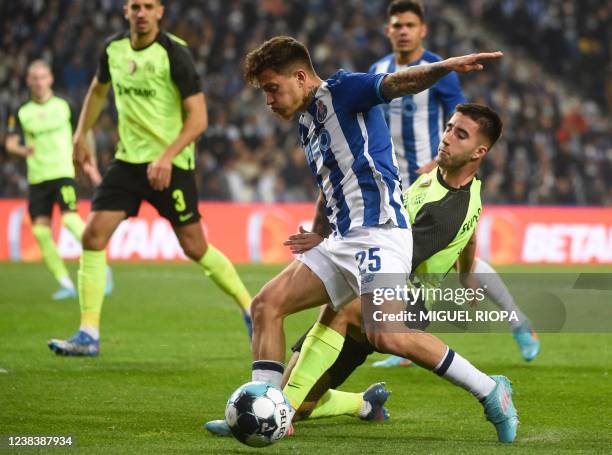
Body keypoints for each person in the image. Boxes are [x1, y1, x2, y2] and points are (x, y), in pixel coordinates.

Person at [229, 36, 516, 443]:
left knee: (387, 334)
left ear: (299, 76)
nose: (269, 101)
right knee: (266, 305)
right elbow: (331, 183)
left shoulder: (344, 90)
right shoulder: (309, 121)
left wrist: (446, 65)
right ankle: (265, 411)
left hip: (381, 235)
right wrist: (317, 234)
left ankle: (490, 390)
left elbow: (398, 83)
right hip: (344, 240)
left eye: (272, 89)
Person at [47, 0, 252, 356]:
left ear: (160, 12)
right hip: (128, 162)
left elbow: (199, 118)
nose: (141, 13)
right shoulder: (113, 49)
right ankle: (88, 334)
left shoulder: (175, 53)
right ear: (125, 11)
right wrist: (81, 134)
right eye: (134, 6)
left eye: (148, 6)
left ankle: (251, 308)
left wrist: (166, 156)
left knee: (194, 246)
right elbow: (97, 90)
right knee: (93, 236)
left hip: (171, 165)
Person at [369, 0, 539, 368]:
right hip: (392, 181)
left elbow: (463, 118)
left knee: (449, 248)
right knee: (414, 258)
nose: (402, 30)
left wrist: (436, 163)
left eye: (409, 25)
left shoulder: (438, 70)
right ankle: (405, 338)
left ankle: (516, 320)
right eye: (396, 24)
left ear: (422, 30)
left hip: (431, 175)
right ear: (388, 30)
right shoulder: (379, 71)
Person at [5, 60, 111, 301]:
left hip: (62, 173)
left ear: (50, 79)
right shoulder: (21, 111)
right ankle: (65, 284)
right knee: (41, 233)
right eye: (35, 78)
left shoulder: (65, 106)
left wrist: (89, 164)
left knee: (70, 218)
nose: (39, 82)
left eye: (43, 77)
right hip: (37, 178)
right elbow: (10, 143)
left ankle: (102, 265)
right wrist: (23, 151)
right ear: (28, 81)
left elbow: (83, 134)